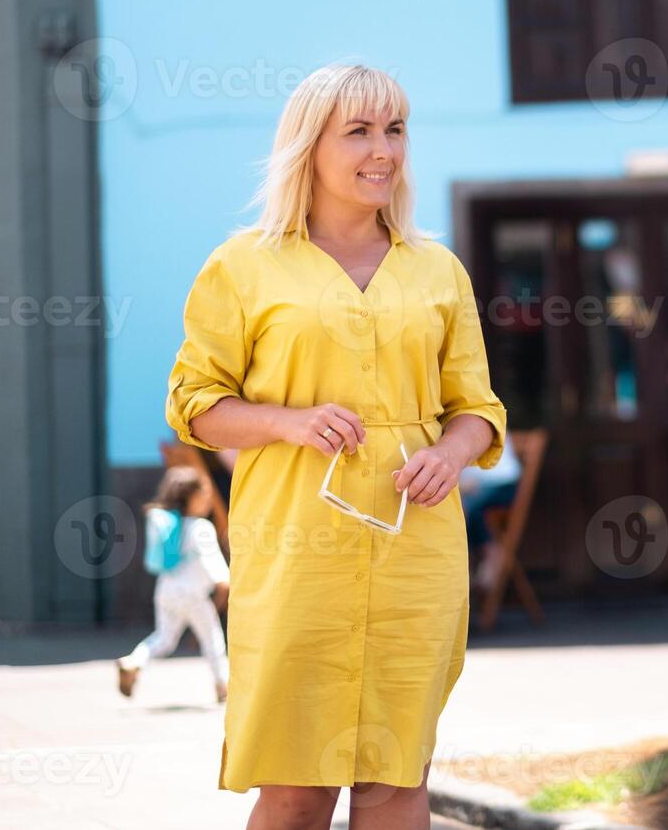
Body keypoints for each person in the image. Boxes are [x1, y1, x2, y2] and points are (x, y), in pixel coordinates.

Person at [164, 63, 508, 829]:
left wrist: (451, 454)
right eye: (358, 131)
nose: (383, 149)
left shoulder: (437, 270)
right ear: (308, 148)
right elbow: (195, 404)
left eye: (394, 130)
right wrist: (286, 421)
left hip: (415, 550)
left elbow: (478, 408)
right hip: (295, 550)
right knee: (296, 785)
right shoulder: (242, 266)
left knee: (397, 780)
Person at [116, 466, 230, 703]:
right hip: (194, 594)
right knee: (213, 639)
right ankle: (222, 684)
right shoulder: (201, 528)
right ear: (192, 497)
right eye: (205, 495)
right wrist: (223, 582)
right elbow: (214, 566)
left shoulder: (170, 526)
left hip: (166, 591)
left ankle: (134, 661)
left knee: (164, 638)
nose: (209, 500)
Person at [461, 435, 522, 592]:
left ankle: (487, 553)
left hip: (498, 481)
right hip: (473, 483)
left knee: (464, 507)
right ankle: (480, 555)